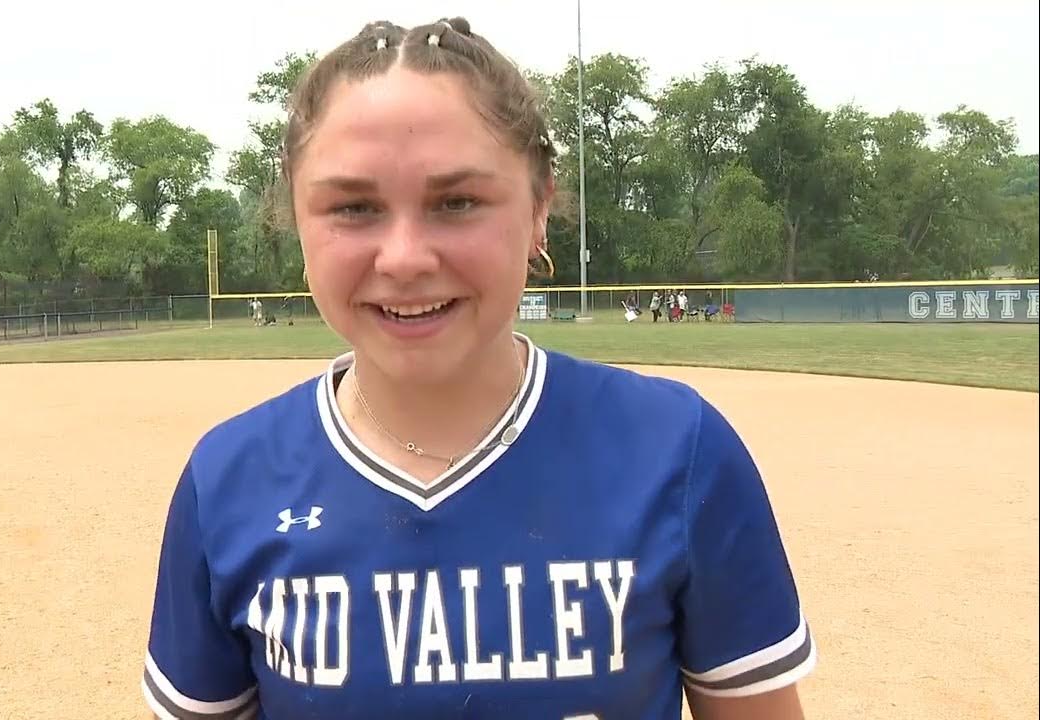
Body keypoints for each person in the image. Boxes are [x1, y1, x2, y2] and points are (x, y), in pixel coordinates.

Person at [141, 17, 814, 720]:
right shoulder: (228, 480)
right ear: (296, 220)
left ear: (539, 208)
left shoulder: (678, 452)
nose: (404, 258)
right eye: (353, 207)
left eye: (457, 202)